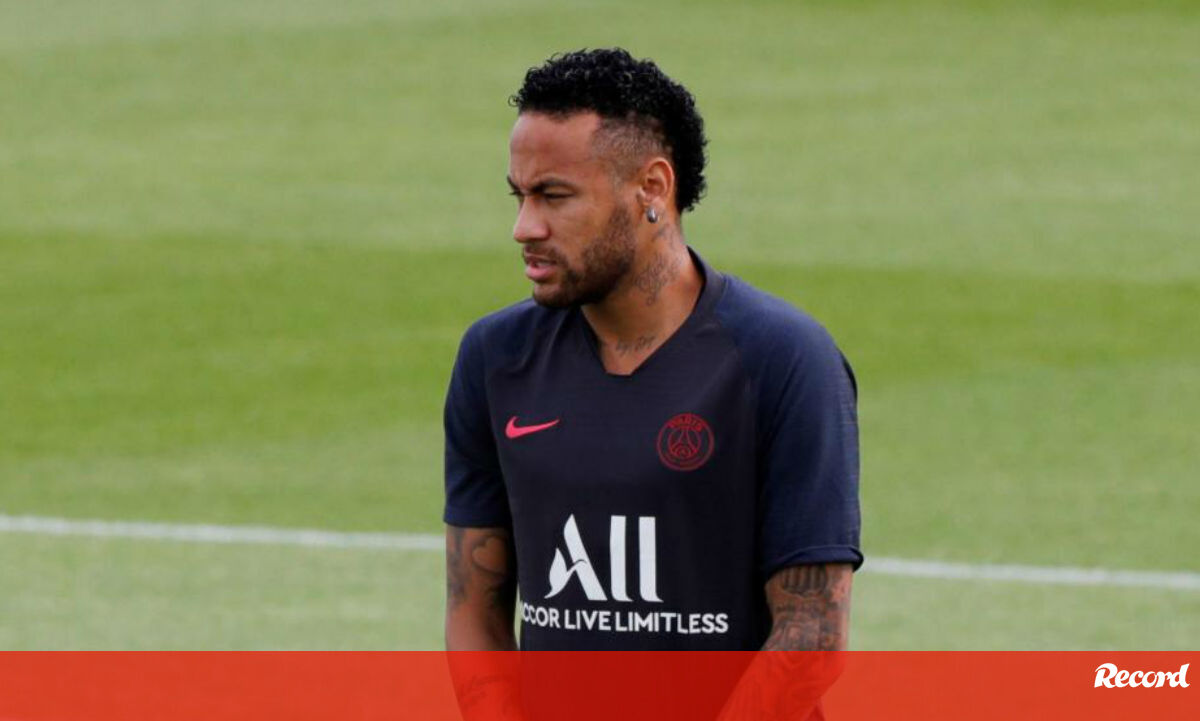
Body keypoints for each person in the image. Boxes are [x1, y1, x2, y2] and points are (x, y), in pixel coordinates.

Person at [444, 48, 861, 656]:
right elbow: (472, 612)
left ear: (653, 188)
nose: (524, 227)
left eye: (554, 196)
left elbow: (812, 633)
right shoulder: (495, 357)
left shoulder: (783, 359)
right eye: (520, 196)